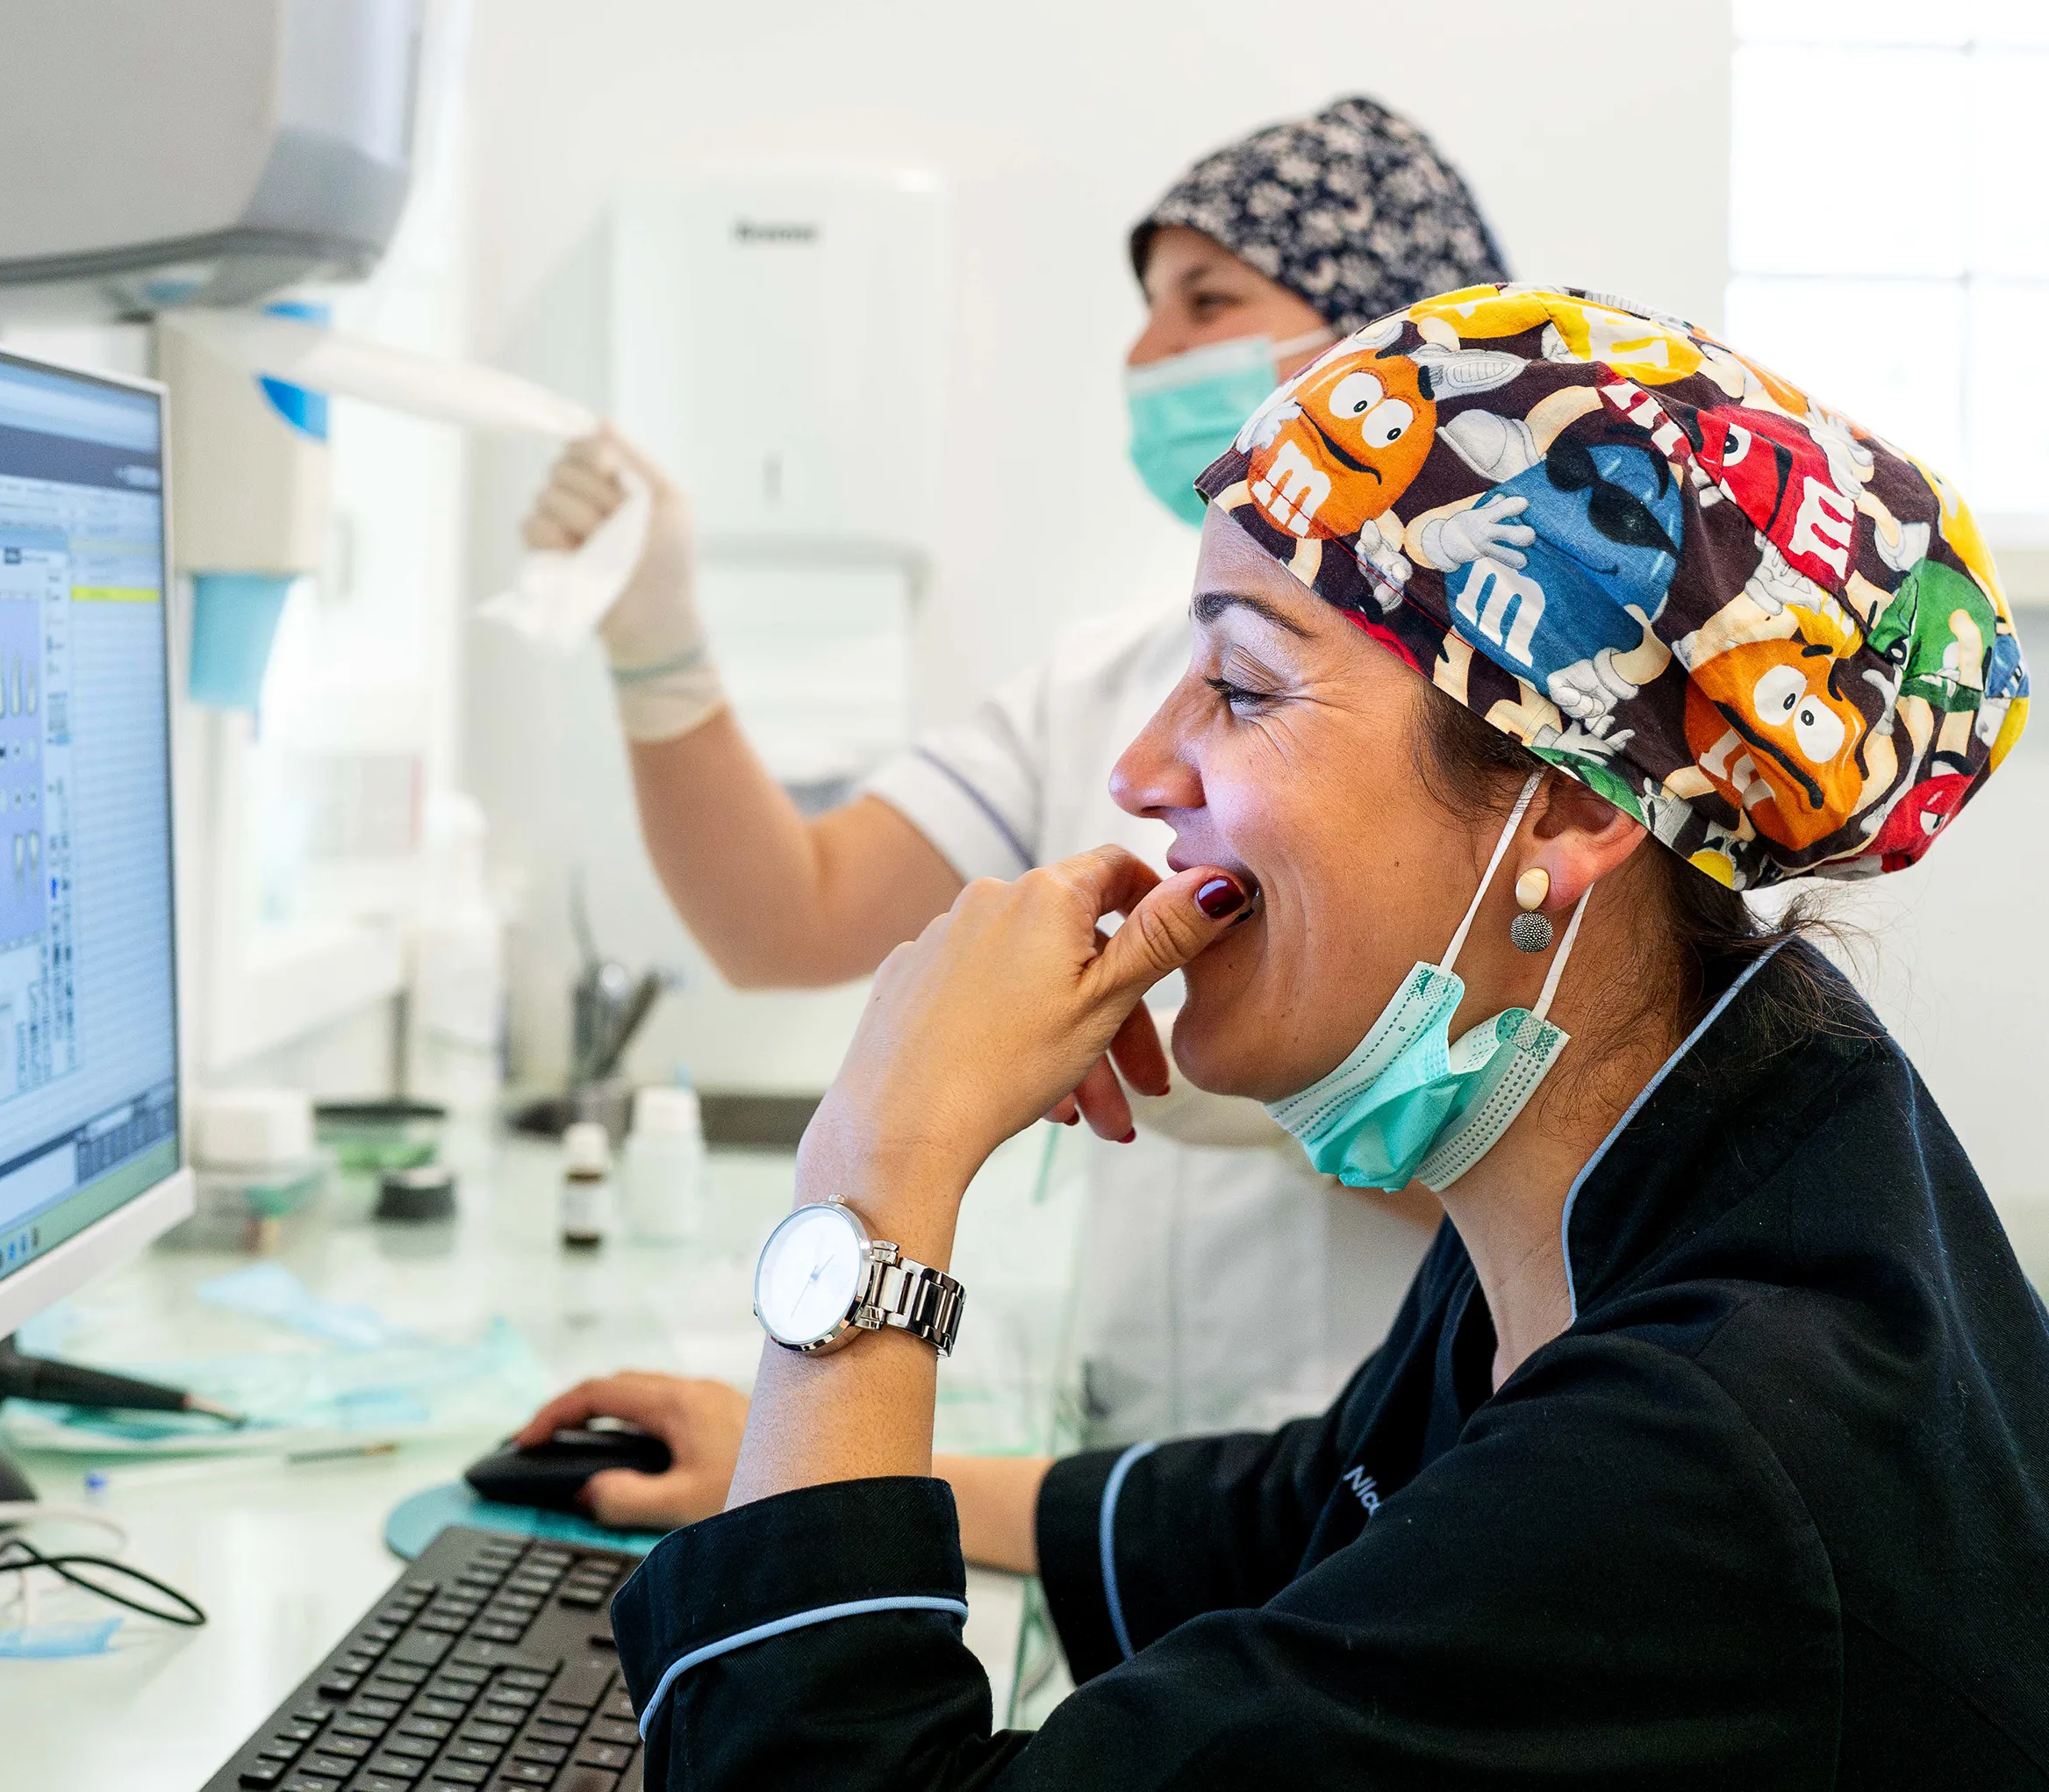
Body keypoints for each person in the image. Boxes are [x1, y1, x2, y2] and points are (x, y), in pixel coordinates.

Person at [576, 286, 2045, 1784]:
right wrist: (860, 1481)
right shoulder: (1675, 1117)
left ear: (1574, 804)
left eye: (1241, 686)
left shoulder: (1697, 1469)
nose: (1142, 774)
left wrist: (875, 1185)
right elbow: (1324, 1512)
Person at [525, 96, 1511, 1443]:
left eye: (1203, 300)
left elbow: (1595, 1166)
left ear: (1380, 346)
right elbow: (786, 917)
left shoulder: (1512, 707)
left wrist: (1307, 1098)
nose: (1145, 352)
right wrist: (660, 647)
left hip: (1399, 1475)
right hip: (1127, 1485)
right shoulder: (1104, 683)